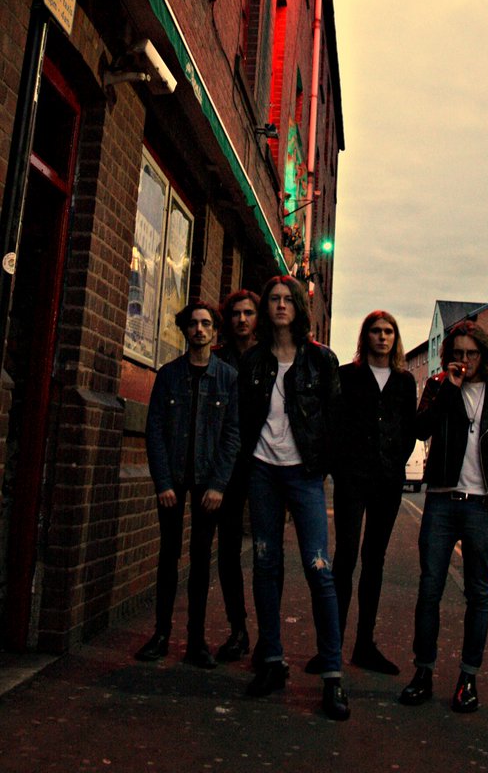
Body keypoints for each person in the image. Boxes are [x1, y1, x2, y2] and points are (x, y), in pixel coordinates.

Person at [238, 275, 350, 721]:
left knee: (318, 568)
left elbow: (335, 422)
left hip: (304, 473)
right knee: (265, 562)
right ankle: (271, 661)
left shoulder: (322, 361)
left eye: (288, 300)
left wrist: (323, 468)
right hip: (263, 471)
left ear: (299, 307)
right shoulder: (253, 361)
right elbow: (246, 420)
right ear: (266, 308)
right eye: (274, 300)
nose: (280, 305)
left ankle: (333, 676)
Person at [399, 320, 488, 713]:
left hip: (482, 506)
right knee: (429, 589)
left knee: (478, 595)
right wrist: (448, 389)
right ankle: (423, 672)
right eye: (457, 354)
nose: (464, 360)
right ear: (447, 356)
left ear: (483, 354)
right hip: (440, 501)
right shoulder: (437, 387)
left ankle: (468, 679)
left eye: (471, 353)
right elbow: (421, 430)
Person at [306, 310, 416, 675]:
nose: (382, 337)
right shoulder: (347, 376)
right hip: (352, 478)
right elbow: (334, 423)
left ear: (394, 338)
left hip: (388, 480)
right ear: (365, 336)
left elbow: (408, 430)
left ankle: (364, 644)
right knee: (346, 557)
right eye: (375, 331)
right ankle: (330, 647)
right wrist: (340, 464)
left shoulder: (405, 381)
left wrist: (396, 461)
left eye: (388, 332)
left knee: (375, 560)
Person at [135, 299, 239, 668]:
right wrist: (162, 482)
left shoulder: (228, 378)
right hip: (174, 481)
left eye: (206, 324)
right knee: (168, 557)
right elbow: (156, 431)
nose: (199, 329)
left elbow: (232, 435)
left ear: (214, 331)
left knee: (199, 560)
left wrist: (219, 485)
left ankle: (196, 641)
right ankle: (161, 635)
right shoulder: (169, 375)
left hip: (208, 483)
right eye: (193, 323)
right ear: (185, 329)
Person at [212, 289, 260, 662]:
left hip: (263, 461)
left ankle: (269, 637)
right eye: (235, 314)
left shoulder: (269, 360)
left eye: (249, 313)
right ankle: (238, 628)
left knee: (265, 551)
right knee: (227, 549)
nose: (242, 320)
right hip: (227, 463)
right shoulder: (218, 360)